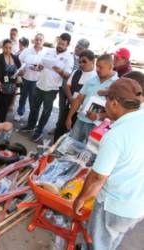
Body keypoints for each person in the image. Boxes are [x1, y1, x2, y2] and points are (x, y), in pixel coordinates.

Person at [73, 78, 144, 250]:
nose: (104, 104)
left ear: (114, 103)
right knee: (113, 239)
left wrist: (80, 199)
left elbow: (98, 177)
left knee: (99, 243)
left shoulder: (116, 135)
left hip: (114, 205)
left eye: (106, 100)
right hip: (137, 205)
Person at [21, 33, 74, 142]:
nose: (60, 45)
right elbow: (40, 65)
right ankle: (30, 126)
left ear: (67, 45)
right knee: (34, 108)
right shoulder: (49, 51)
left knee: (46, 111)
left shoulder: (69, 57)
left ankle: (39, 131)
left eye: (63, 44)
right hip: (40, 84)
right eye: (59, 42)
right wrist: (39, 67)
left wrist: (60, 71)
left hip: (52, 89)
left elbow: (67, 75)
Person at [65, 54, 118, 143]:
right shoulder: (92, 80)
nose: (97, 70)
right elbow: (78, 99)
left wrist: (98, 116)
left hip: (99, 126)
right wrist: (69, 117)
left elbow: (117, 112)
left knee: (89, 153)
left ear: (111, 67)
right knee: (70, 147)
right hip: (81, 120)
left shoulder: (117, 84)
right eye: (97, 66)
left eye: (101, 67)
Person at [54, 49, 96, 142]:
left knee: (74, 135)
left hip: (82, 112)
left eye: (84, 61)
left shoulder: (95, 77)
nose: (81, 64)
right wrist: (71, 98)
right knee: (60, 128)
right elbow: (67, 86)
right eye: (80, 62)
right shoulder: (76, 72)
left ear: (93, 61)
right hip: (70, 106)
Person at [14, 33, 46, 121]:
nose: (38, 41)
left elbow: (46, 65)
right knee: (23, 97)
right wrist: (22, 68)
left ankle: (32, 117)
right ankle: (20, 113)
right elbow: (20, 59)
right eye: (37, 39)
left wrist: (40, 67)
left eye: (40, 40)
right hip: (25, 77)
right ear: (34, 40)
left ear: (43, 41)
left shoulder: (45, 53)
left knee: (34, 100)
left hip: (37, 80)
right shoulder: (27, 50)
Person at [0, 39, 21, 124]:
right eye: (6, 48)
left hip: (10, 88)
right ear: (2, 48)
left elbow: (19, 68)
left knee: (4, 109)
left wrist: (21, 72)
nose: (8, 50)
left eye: (10, 48)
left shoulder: (15, 58)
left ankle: (0, 126)